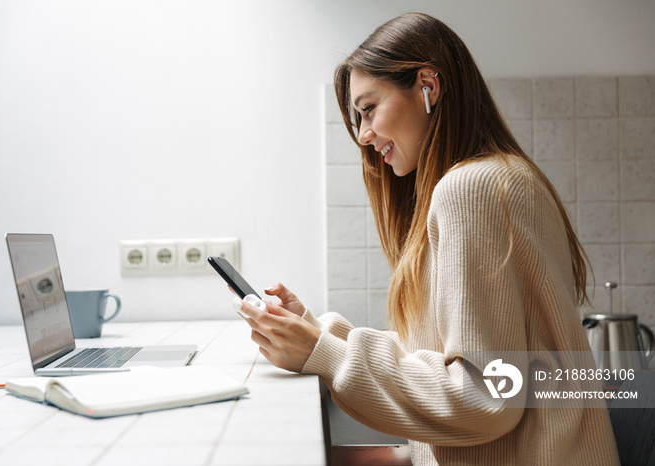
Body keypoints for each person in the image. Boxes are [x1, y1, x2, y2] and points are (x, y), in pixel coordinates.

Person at [235, 12, 620, 465]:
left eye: (368, 109)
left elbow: (485, 396)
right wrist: (321, 335)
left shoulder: (470, 189)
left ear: (427, 87)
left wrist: (328, 356)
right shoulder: (504, 176)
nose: (363, 135)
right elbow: (452, 358)